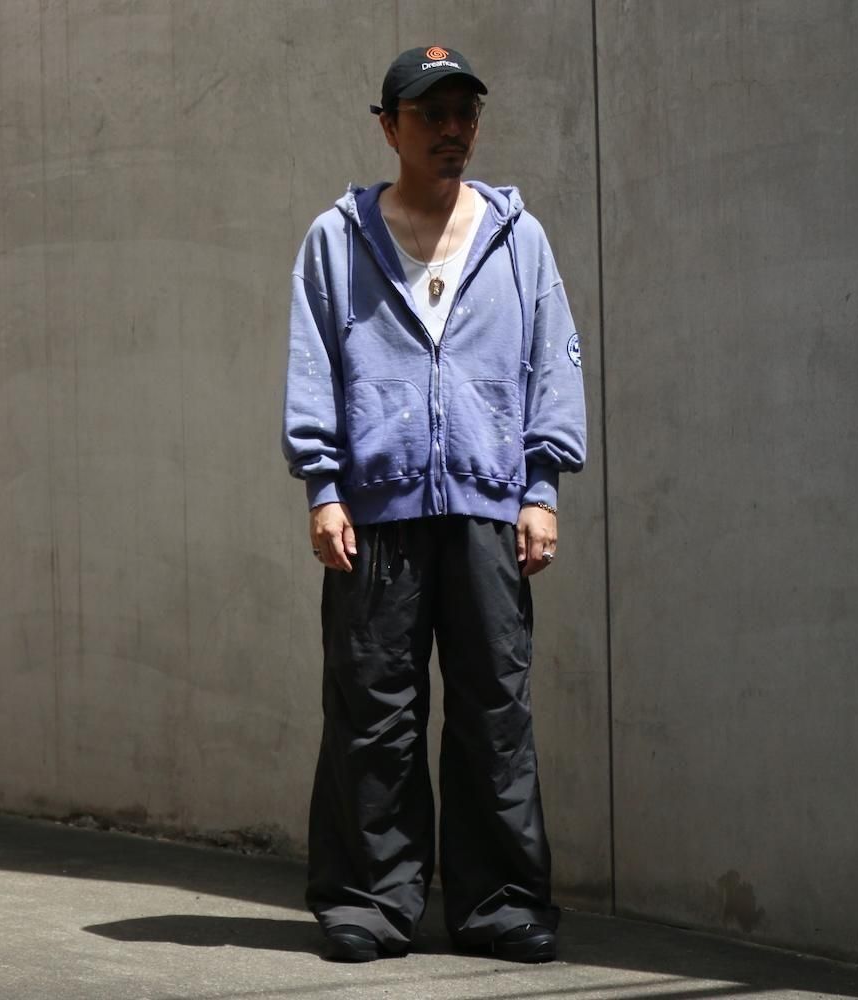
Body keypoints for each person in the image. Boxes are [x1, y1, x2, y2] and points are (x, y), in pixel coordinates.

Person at [282, 45, 586, 964]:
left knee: (496, 712)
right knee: (372, 712)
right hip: (375, 514)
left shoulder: (517, 238)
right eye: (432, 115)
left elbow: (551, 362)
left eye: (466, 114)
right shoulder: (337, 239)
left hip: (490, 506)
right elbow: (314, 366)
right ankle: (369, 902)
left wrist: (541, 491)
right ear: (389, 127)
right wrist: (324, 488)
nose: (453, 131)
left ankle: (500, 904)